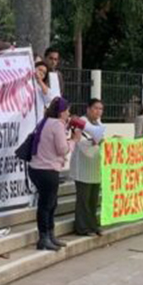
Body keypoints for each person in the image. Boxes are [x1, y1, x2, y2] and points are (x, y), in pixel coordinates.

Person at [29, 97, 81, 251]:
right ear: (61, 112)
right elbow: (62, 149)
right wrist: (74, 140)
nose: (69, 114)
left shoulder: (45, 121)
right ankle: (44, 237)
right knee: (47, 205)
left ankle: (50, 235)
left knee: (51, 203)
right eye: (67, 111)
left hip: (36, 168)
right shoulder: (57, 125)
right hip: (47, 170)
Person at [71, 98, 107, 235]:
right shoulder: (80, 122)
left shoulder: (99, 123)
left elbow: (100, 140)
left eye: (101, 109)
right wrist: (97, 143)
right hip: (83, 168)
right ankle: (82, 228)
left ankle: (93, 225)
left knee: (93, 200)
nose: (98, 111)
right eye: (95, 108)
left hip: (95, 168)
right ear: (88, 109)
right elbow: (81, 143)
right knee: (83, 200)